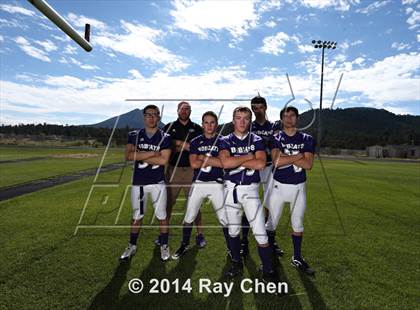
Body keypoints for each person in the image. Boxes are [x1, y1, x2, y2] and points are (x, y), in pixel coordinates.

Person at [219, 106, 277, 283]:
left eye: (245, 118)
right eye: (238, 118)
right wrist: (247, 157)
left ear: (250, 120)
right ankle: (236, 263)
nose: (242, 121)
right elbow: (226, 163)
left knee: (260, 232)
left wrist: (238, 160)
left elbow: (260, 164)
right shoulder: (225, 140)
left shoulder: (257, 139)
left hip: (251, 190)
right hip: (231, 190)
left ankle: (267, 270)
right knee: (234, 230)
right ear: (233, 120)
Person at [172, 111, 230, 259]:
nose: (209, 125)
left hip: (217, 184)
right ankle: (184, 244)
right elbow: (193, 163)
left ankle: (231, 248)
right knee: (189, 216)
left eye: (212, 122)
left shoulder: (223, 141)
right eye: (206, 122)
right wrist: (214, 160)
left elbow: (224, 163)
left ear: (216, 124)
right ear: (202, 124)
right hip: (199, 183)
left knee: (224, 218)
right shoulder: (196, 141)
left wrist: (203, 157)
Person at [266, 106, 315, 275]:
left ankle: (297, 257)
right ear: (281, 119)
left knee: (298, 224)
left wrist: (287, 158)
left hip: (298, 188)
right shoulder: (275, 137)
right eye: (285, 116)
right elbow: (277, 162)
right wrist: (299, 156)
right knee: (271, 223)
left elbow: (308, 165)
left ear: (297, 118)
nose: (289, 119)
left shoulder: (307, 138)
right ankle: (270, 252)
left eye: (292, 116)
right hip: (278, 186)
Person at [120, 105, 172, 262]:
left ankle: (164, 245)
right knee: (137, 215)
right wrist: (151, 153)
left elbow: (164, 160)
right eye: (148, 115)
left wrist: (140, 155)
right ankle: (132, 245)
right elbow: (128, 156)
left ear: (159, 117)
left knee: (162, 215)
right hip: (139, 183)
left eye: (155, 115)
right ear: (144, 117)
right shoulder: (134, 135)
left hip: (157, 183)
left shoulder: (166, 137)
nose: (151, 117)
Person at [240, 95, 284, 258]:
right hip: (251, 168)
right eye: (255, 108)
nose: (258, 111)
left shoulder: (274, 126)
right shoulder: (246, 126)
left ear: (265, 107)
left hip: (268, 168)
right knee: (246, 202)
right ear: (252, 109)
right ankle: (244, 241)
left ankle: (269, 238)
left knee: (271, 204)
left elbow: (277, 145)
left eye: (260, 107)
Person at [162, 101, 206, 248]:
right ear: (177, 110)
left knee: (195, 205)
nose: (184, 111)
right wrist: (183, 144)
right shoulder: (169, 127)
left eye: (187, 109)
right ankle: (163, 235)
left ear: (190, 111)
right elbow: (165, 147)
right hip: (173, 170)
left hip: (191, 171)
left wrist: (178, 144)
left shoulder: (197, 128)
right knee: (168, 204)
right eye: (182, 108)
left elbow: (200, 148)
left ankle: (200, 235)